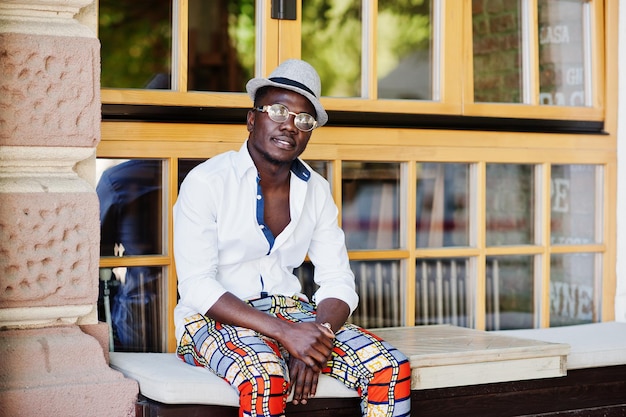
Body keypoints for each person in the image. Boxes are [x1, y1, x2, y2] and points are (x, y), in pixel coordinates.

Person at [173, 59, 411, 417]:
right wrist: (287, 334)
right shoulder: (207, 182)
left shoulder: (316, 190)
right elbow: (196, 285)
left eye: (304, 119)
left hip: (293, 313)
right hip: (211, 319)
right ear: (252, 119)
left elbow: (338, 280)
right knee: (266, 378)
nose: (290, 125)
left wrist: (317, 337)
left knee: (390, 368)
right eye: (279, 110)